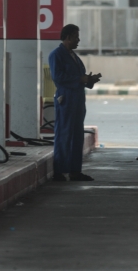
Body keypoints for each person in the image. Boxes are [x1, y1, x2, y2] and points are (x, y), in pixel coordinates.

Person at [48, 24, 101, 182]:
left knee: (77, 136)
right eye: (76, 37)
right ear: (68, 37)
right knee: (64, 135)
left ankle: (74, 171)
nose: (79, 40)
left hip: (78, 99)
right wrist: (79, 79)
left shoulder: (74, 57)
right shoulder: (56, 55)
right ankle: (59, 171)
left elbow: (81, 77)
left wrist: (89, 80)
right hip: (66, 99)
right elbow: (58, 77)